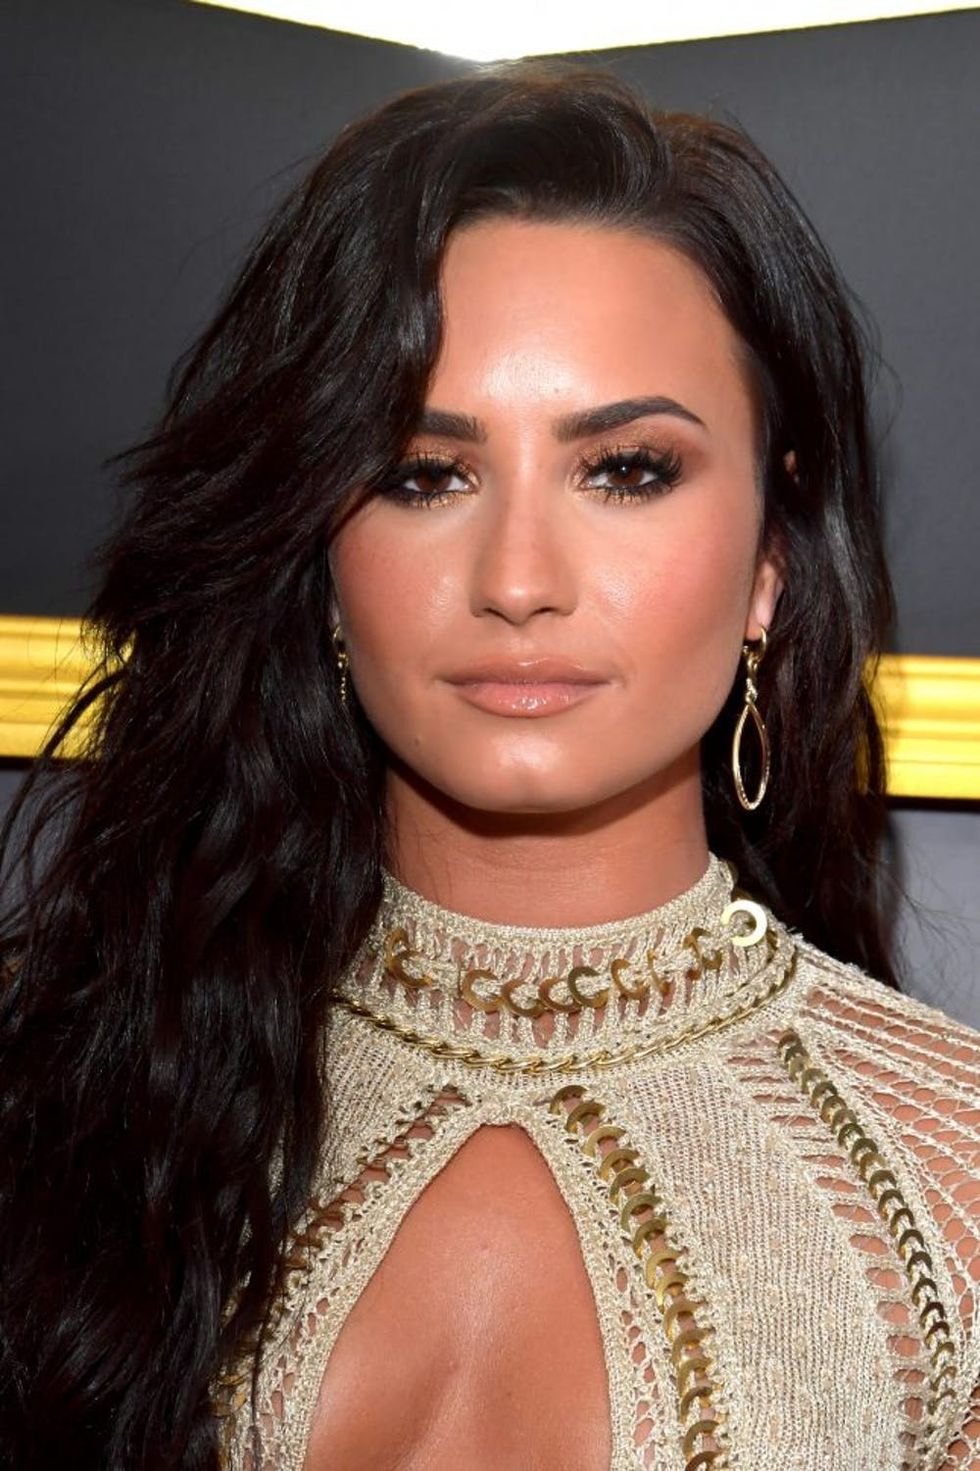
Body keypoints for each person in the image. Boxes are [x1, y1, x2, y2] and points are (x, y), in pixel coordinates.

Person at [1, 56, 978, 1471]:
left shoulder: (950, 1193)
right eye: (422, 472)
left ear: (772, 558)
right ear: (319, 554)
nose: (519, 579)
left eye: (628, 470)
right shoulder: (80, 1108)